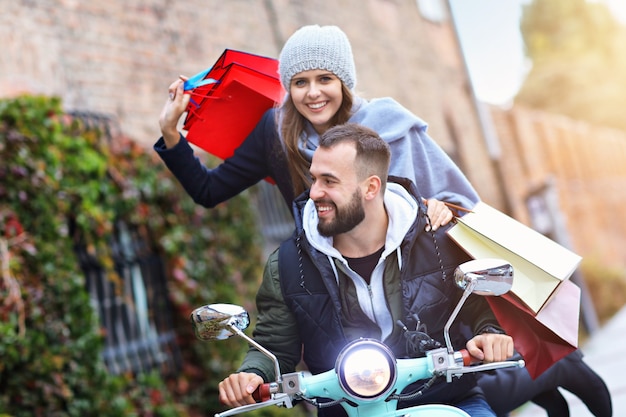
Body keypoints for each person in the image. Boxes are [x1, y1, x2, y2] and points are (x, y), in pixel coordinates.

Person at [217, 123, 514, 417]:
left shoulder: (438, 239)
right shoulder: (287, 264)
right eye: (314, 179)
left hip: (447, 399)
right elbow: (273, 345)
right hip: (346, 411)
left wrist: (489, 334)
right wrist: (253, 373)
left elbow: (479, 309)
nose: (314, 192)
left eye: (329, 181)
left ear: (370, 187)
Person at [155, 24, 480, 231]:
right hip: (328, 293)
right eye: (300, 82)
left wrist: (443, 209)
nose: (312, 93)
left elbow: (457, 201)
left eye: (325, 79)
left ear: (344, 82)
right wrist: (171, 132)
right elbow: (209, 191)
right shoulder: (276, 133)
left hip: (414, 284)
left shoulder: (391, 122)